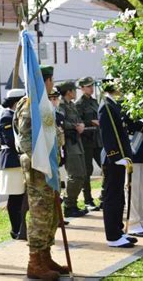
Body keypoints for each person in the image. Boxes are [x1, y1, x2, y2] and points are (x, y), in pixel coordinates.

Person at [14, 65, 68, 280]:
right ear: (45, 81)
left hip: (49, 167)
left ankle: (45, 256)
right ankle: (34, 261)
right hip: (38, 169)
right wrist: (43, 163)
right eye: (51, 80)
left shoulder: (43, 103)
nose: (52, 84)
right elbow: (26, 140)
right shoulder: (30, 105)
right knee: (40, 214)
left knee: (52, 213)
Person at [98, 78, 137, 248]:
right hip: (113, 159)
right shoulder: (106, 106)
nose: (122, 87)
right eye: (120, 84)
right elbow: (107, 135)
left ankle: (118, 230)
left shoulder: (114, 105)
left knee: (119, 196)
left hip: (120, 159)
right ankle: (112, 236)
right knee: (112, 197)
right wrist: (115, 156)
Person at [0, 88, 27, 240]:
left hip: (18, 161)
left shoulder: (15, 116)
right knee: (15, 198)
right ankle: (16, 229)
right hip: (12, 162)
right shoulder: (7, 117)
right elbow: (11, 140)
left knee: (21, 198)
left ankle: (21, 228)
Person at [56, 81, 87, 218]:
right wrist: (75, 126)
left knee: (82, 175)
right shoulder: (61, 105)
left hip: (77, 143)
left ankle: (72, 204)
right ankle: (69, 206)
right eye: (74, 90)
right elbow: (60, 121)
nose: (75, 92)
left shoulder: (71, 105)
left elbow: (78, 119)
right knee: (75, 175)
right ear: (69, 92)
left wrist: (81, 124)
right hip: (69, 143)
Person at [76, 76, 102, 211]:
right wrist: (90, 122)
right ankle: (88, 200)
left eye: (92, 86)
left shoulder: (94, 101)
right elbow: (77, 122)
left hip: (98, 140)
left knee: (106, 167)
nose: (91, 88)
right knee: (87, 171)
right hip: (86, 141)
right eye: (88, 86)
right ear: (82, 88)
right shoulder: (79, 104)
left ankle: (104, 197)